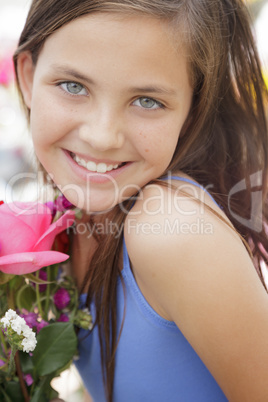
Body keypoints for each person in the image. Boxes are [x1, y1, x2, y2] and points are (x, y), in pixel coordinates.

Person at [13, 0, 268, 401]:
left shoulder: (168, 228)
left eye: (147, 101)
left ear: (192, 110)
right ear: (27, 77)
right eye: (73, 86)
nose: (102, 136)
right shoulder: (78, 217)